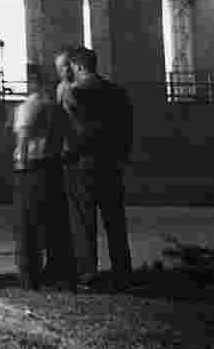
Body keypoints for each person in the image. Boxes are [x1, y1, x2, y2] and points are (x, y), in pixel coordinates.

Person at [55, 45, 135, 288]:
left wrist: (64, 85)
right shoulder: (116, 92)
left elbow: (63, 125)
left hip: (80, 163)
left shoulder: (72, 92)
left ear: (78, 66)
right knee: (115, 221)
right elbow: (127, 128)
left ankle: (87, 274)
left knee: (83, 222)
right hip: (111, 164)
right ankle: (123, 273)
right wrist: (122, 156)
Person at [12, 63, 74, 290]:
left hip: (31, 170)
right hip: (54, 167)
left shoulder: (29, 107)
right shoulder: (58, 109)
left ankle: (30, 277)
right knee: (56, 225)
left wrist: (20, 163)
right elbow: (70, 141)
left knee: (27, 226)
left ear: (31, 82)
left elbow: (24, 142)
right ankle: (62, 275)